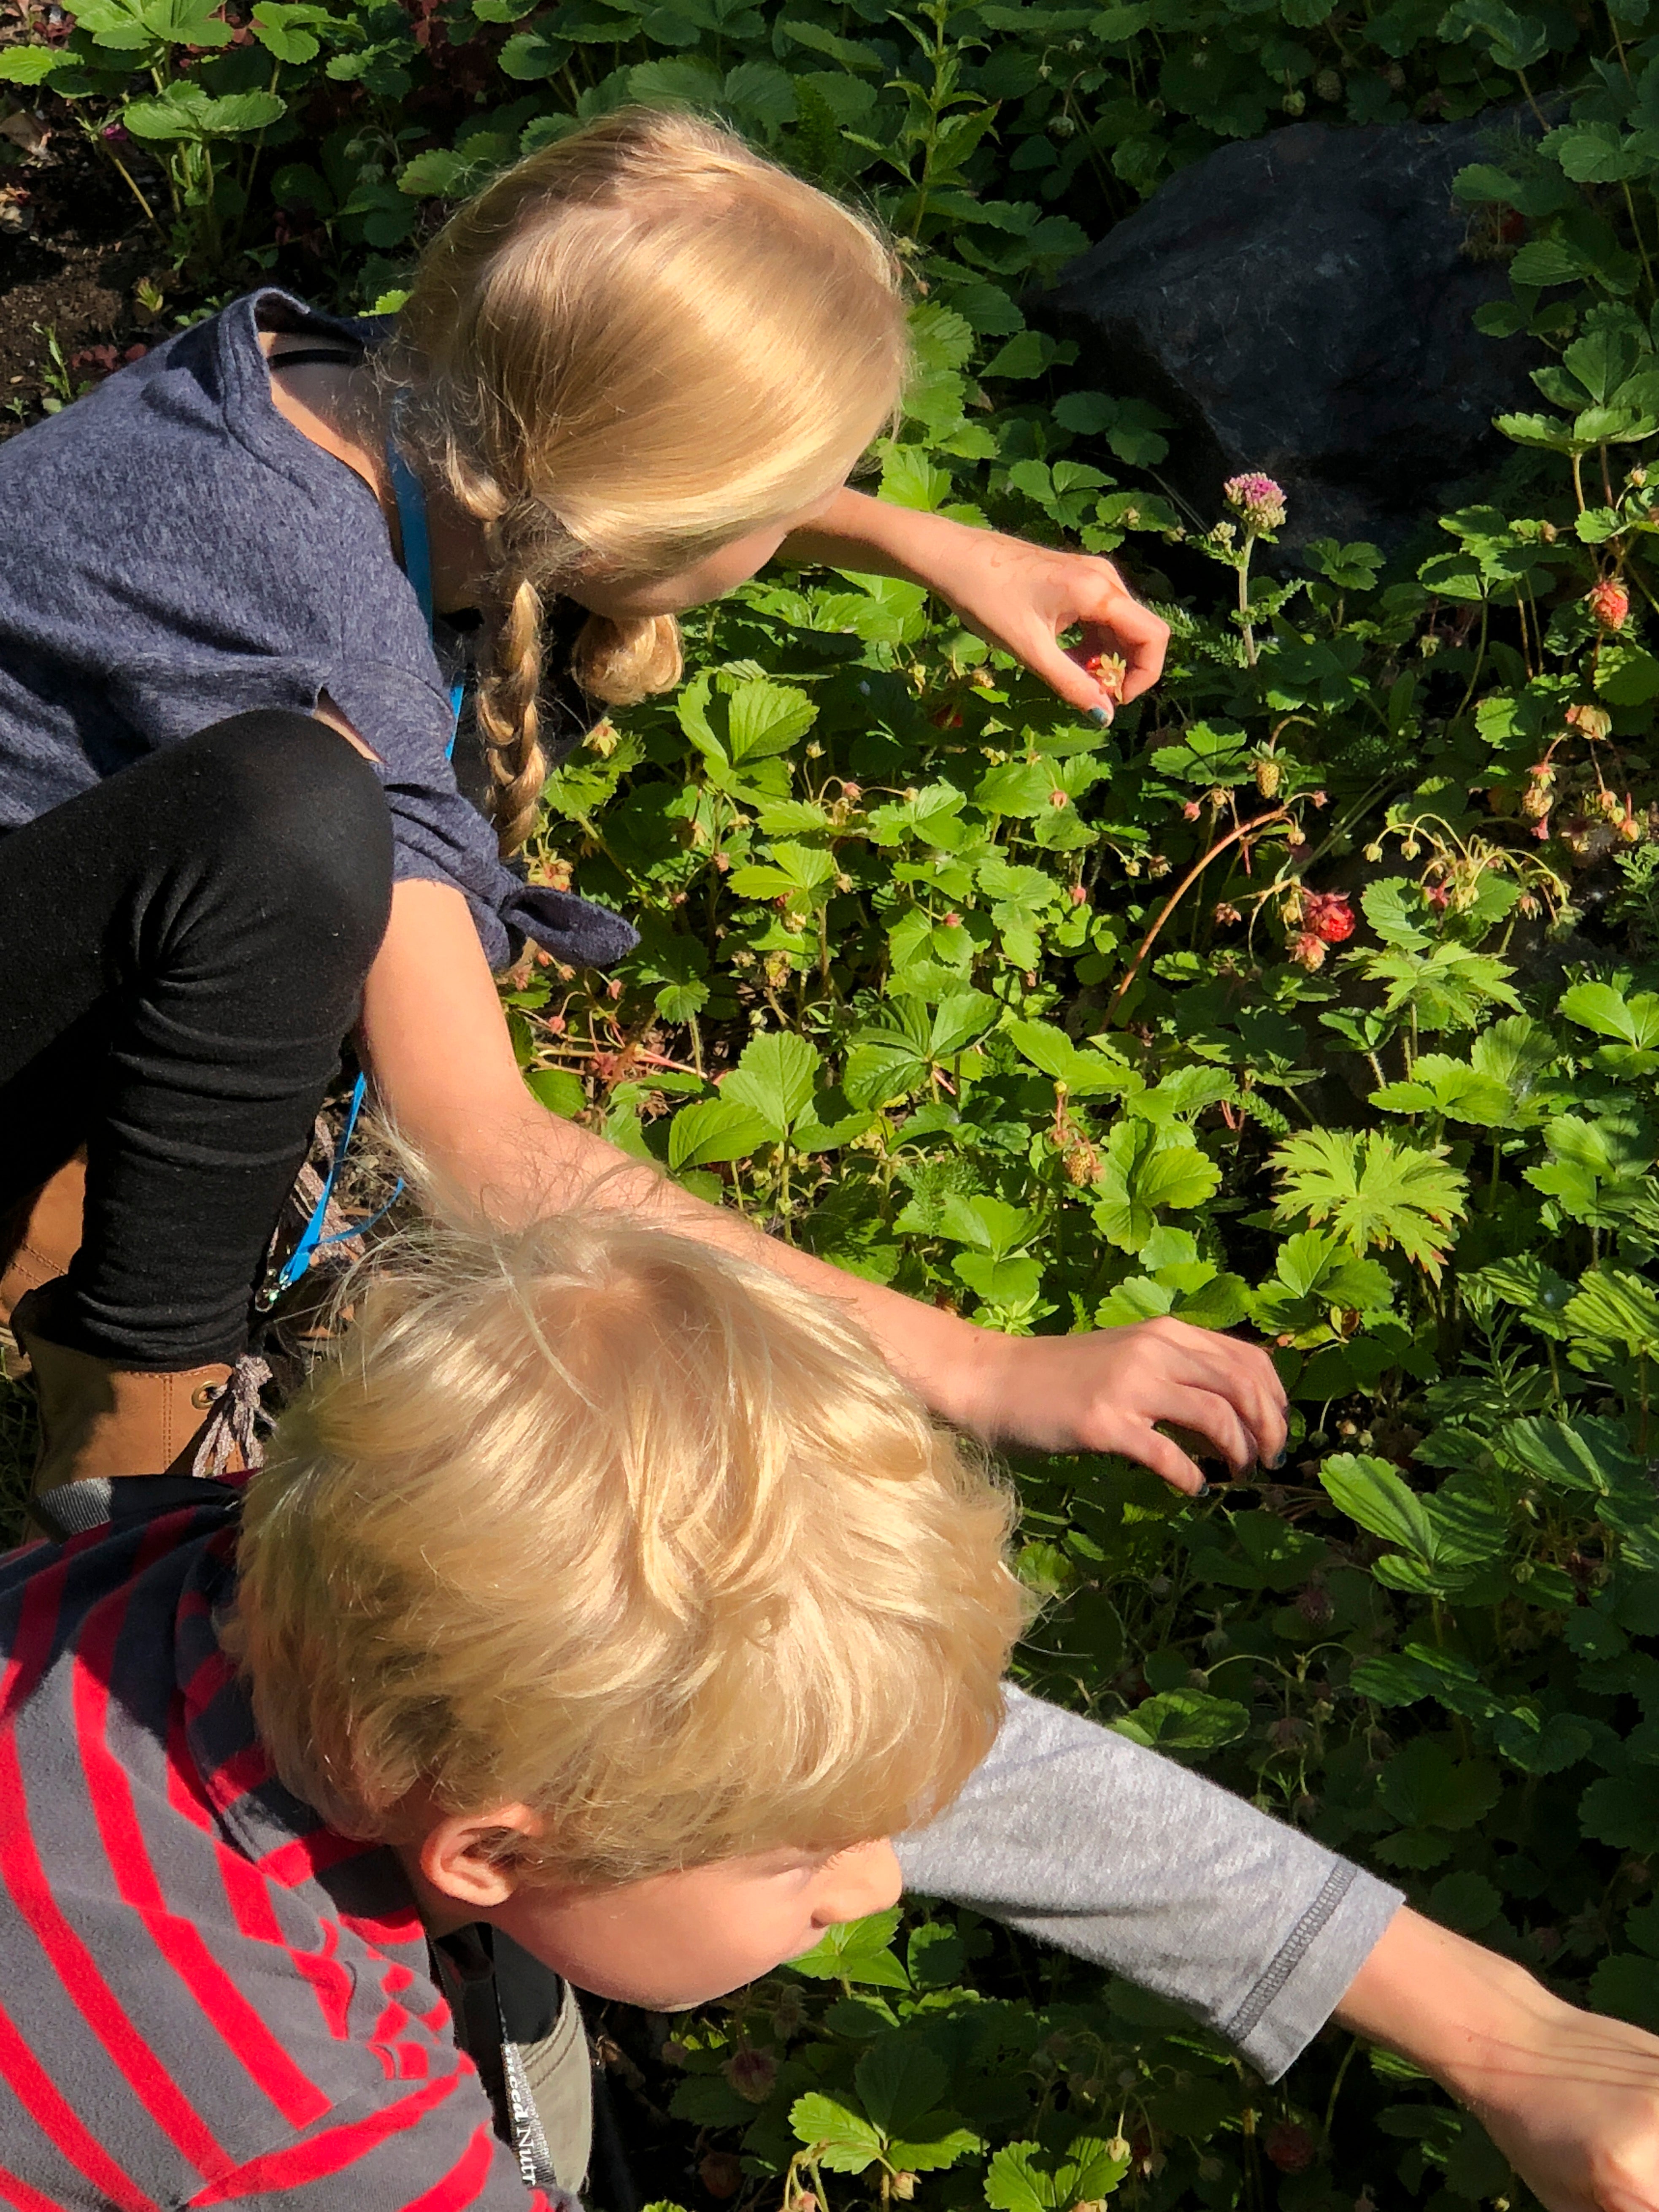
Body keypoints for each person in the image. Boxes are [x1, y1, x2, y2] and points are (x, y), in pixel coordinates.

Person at [0, 105, 1285, 1508]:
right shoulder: (322, 635)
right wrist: (984, 1368)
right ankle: (134, 1453)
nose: (810, 511)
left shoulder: (354, 377)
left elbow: (576, 450)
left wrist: (925, 538)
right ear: (633, 525)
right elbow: (485, 1150)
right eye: (784, 496)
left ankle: (67, 1200)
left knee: (291, 836)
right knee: (297, 828)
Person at [2, 1211, 1656, 2211]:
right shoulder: (294, 2105)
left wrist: (1502, 2034)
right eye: (809, 1860)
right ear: (494, 1847)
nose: (872, 1884)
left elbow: (899, 1764)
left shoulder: (297, 1567)